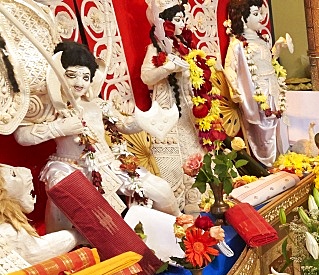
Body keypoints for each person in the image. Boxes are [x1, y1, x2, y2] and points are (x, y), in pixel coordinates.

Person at [13, 41, 180, 231]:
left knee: (162, 190)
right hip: (69, 166)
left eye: (86, 77)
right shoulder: (51, 107)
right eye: (72, 75)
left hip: (110, 164)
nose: (79, 82)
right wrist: (59, 127)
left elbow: (123, 125)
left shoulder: (97, 105)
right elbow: (22, 136)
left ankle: (176, 230)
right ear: (58, 74)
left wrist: (146, 121)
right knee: (62, 193)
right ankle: (64, 248)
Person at [140, 0, 213, 211]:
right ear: (166, 22)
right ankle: (181, 202)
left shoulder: (184, 46)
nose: (183, 23)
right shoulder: (155, 47)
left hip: (189, 109)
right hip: (168, 109)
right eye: (178, 19)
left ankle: (203, 195)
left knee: (196, 148)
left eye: (184, 19)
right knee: (176, 155)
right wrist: (169, 67)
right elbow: (146, 76)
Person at [224, 0, 291, 167]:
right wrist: (235, 91)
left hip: (273, 89)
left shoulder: (261, 40)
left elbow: (268, 59)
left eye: (260, 13)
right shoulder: (238, 44)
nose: (261, 17)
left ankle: (282, 159)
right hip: (258, 92)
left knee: (278, 123)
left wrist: (277, 47)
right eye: (255, 14)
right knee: (264, 128)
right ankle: (268, 163)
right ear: (243, 19)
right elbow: (229, 68)